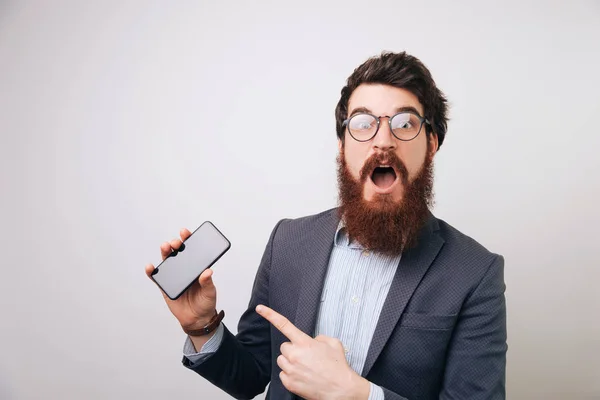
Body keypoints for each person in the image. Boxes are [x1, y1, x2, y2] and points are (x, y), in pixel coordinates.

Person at [145, 51, 507, 400]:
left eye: (405, 124)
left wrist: (359, 395)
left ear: (431, 144)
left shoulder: (475, 272)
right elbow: (252, 376)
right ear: (342, 146)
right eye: (363, 123)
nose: (384, 140)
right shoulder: (287, 241)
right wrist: (201, 326)